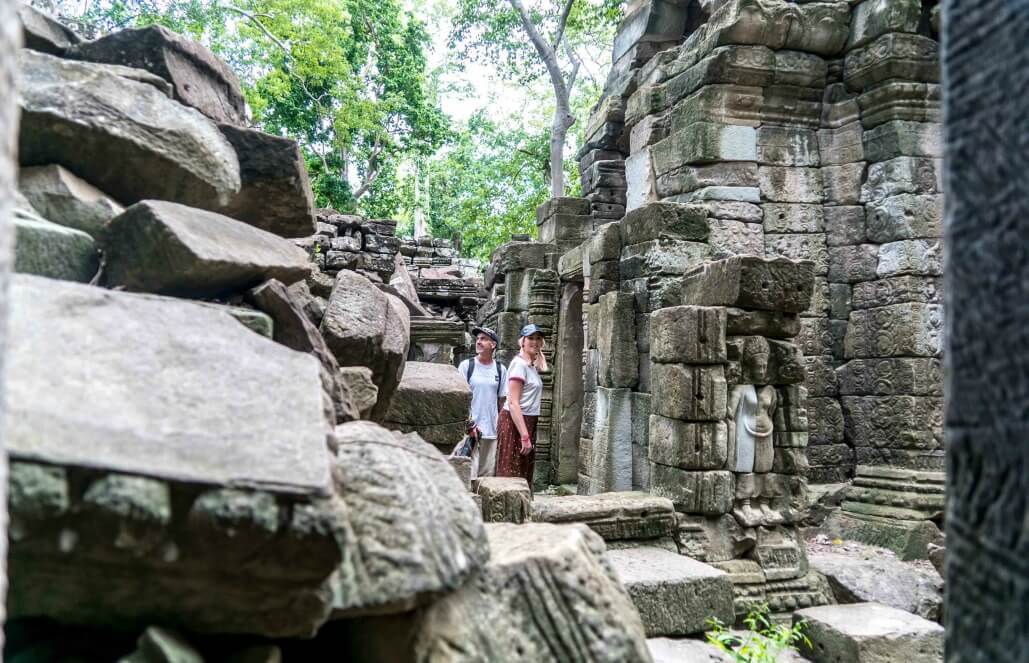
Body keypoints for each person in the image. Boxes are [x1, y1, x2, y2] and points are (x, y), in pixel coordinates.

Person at [495, 324, 547, 483]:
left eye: (538, 338)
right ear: (522, 342)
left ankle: (521, 507)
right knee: (511, 472)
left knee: (522, 471)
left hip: (527, 421)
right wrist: (524, 435)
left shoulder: (531, 366)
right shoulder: (519, 365)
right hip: (515, 422)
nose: (535, 342)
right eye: (531, 338)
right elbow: (513, 403)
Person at [457, 326, 507, 479]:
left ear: (493, 345)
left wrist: (501, 426)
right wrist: (469, 423)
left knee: (487, 475)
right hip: (470, 429)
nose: (478, 342)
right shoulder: (467, 366)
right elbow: (459, 397)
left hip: (491, 429)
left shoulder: (500, 369)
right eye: (477, 339)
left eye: (483, 339)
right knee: (468, 475)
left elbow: (502, 400)